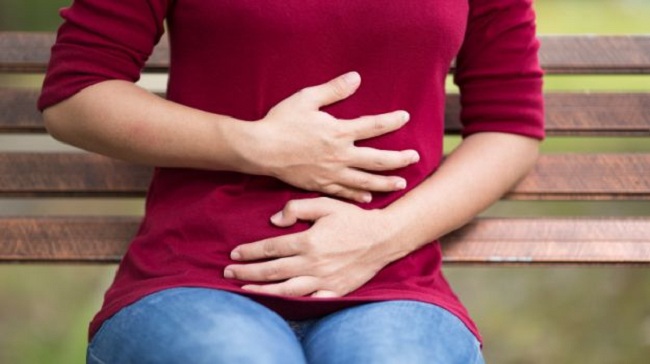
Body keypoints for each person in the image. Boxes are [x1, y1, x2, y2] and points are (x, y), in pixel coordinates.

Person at [39, 0, 544, 362]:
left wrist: (384, 236)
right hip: (195, 276)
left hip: (392, 283)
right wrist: (255, 145)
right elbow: (77, 95)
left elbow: (510, 125)